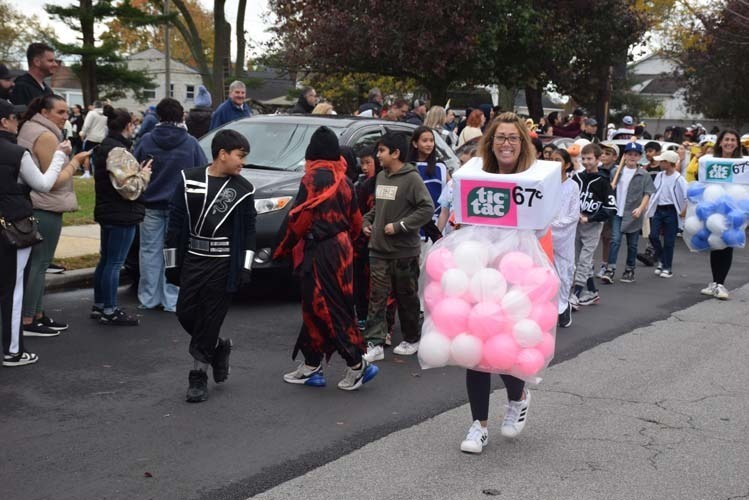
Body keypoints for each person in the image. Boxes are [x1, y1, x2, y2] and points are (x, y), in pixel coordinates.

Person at [274, 127, 378, 390]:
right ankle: (311, 365)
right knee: (317, 306)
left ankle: (357, 364)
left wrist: (283, 249)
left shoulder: (313, 178)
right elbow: (355, 221)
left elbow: (300, 218)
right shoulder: (343, 179)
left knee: (328, 307)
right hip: (341, 248)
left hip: (321, 250)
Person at [459, 112, 538, 454]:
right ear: (490, 143)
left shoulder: (536, 179)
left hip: (518, 278)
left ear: (523, 144)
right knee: (475, 352)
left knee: (504, 351)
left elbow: (541, 229)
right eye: (500, 137)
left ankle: (518, 396)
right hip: (477, 274)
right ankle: (479, 425)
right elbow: (463, 223)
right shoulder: (474, 176)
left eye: (513, 138)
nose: (506, 144)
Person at [164, 129, 257, 402]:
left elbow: (249, 232)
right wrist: (171, 264)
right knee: (185, 312)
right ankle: (217, 345)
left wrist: (245, 267)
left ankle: (198, 377)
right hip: (193, 258)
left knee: (211, 318)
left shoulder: (243, 189)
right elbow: (176, 224)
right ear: (222, 154)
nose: (243, 163)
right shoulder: (189, 179)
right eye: (240, 156)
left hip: (224, 265)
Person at [0, 99, 78, 366]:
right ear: (4, 122)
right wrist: (60, 156)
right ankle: (13, 351)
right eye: (13, 118)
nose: (17, 123)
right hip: (13, 225)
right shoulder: (15, 153)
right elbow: (43, 184)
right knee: (13, 288)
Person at [17, 95, 87, 337]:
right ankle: (28, 319)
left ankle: (36, 314)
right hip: (44, 206)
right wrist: (75, 162)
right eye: (60, 112)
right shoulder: (45, 136)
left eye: (66, 112)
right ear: (45, 113)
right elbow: (53, 181)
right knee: (40, 263)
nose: (65, 116)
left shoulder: (30, 127)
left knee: (37, 263)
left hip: (36, 204)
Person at [361, 133, 434, 362]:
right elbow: (378, 207)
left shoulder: (412, 179)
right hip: (378, 250)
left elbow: (426, 209)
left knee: (407, 297)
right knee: (377, 297)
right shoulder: (381, 176)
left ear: (396, 153)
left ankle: (412, 338)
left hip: (404, 252)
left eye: (382, 151)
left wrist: (401, 226)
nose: (378, 155)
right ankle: (375, 343)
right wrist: (367, 222)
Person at [134, 97, 208, 312]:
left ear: (158, 116)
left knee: (149, 251)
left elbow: (134, 168)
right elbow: (202, 172)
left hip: (150, 204)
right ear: (181, 115)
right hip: (180, 206)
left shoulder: (146, 141)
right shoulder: (190, 143)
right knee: (174, 252)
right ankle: (172, 299)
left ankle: (149, 298)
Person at [91, 105, 152, 325]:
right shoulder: (118, 151)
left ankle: (100, 304)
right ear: (128, 125)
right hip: (121, 213)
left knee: (106, 260)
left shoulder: (103, 148)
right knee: (114, 263)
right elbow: (129, 188)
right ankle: (110, 309)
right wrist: (144, 175)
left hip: (108, 210)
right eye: (133, 125)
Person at [570, 143, 616, 308]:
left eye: (589, 158)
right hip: (575, 225)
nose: (586, 162)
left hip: (593, 225)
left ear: (598, 159)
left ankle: (576, 294)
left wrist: (590, 219)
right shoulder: (577, 178)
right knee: (578, 260)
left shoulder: (603, 182)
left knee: (584, 259)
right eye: (583, 158)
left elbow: (611, 208)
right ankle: (592, 292)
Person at [602, 142, 654, 284]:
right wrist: (610, 187)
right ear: (624, 156)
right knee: (615, 240)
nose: (632, 157)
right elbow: (609, 190)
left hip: (633, 214)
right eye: (629, 154)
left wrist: (641, 208)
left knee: (632, 244)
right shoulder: (616, 172)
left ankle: (629, 269)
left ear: (639, 157)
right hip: (617, 213)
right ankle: (610, 269)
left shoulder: (643, 175)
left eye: (635, 155)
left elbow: (647, 193)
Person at [700, 129, 743, 300]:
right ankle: (715, 282)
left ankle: (720, 283)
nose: (729, 143)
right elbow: (702, 182)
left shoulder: (743, 163)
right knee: (715, 244)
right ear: (720, 142)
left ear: (737, 144)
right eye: (726, 139)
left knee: (727, 244)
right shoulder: (710, 161)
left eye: (733, 140)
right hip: (714, 209)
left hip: (734, 211)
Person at [549, 148, 580, 328]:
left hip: (564, 234)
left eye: (558, 159)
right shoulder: (544, 184)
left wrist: (556, 225)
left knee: (563, 269)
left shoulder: (572, 186)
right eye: (551, 159)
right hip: (544, 231)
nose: (554, 162)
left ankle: (563, 304)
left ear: (567, 164)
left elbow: (573, 214)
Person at [645, 150, 687, 279]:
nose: (660, 163)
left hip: (672, 211)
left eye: (663, 161)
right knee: (653, 236)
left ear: (670, 163)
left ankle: (667, 267)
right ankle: (663, 260)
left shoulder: (679, 178)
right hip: (659, 209)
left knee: (669, 241)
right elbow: (654, 191)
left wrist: (683, 211)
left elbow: (687, 197)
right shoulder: (660, 175)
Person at [595, 142, 620, 278]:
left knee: (607, 238)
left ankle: (605, 265)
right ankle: (589, 265)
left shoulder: (617, 172)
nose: (603, 156)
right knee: (593, 238)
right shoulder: (597, 169)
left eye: (607, 154)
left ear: (615, 157)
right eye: (602, 153)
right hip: (597, 206)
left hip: (609, 208)